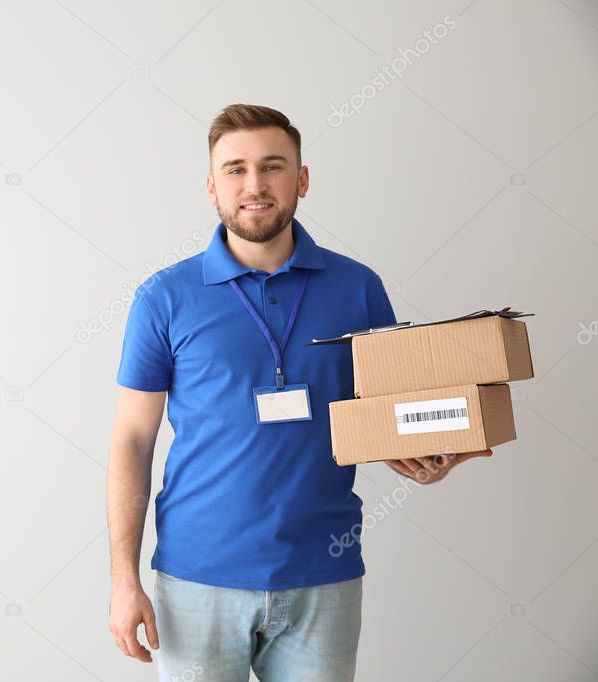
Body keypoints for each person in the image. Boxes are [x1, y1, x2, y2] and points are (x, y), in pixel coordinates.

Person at [105, 103, 492, 682]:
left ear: (302, 179)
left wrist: (427, 457)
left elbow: (386, 415)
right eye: (235, 169)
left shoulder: (358, 287)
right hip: (197, 579)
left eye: (273, 166)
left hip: (325, 573)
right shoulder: (164, 298)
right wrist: (123, 580)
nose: (254, 185)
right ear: (212, 187)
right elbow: (132, 441)